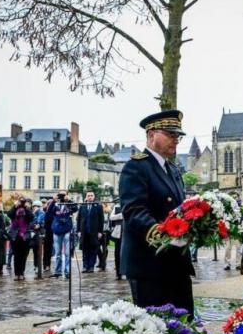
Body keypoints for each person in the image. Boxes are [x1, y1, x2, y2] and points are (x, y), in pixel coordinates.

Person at [119, 110, 194, 313]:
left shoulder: (174, 170)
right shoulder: (136, 167)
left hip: (176, 262)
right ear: (151, 134)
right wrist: (164, 233)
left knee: (184, 327)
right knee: (157, 330)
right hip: (149, 263)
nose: (176, 140)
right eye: (170, 134)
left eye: (177, 135)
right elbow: (134, 211)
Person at [47, 191, 77, 279]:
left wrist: (69, 200)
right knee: (58, 253)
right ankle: (58, 271)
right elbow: (48, 212)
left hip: (67, 230)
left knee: (67, 253)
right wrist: (53, 200)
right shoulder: (55, 204)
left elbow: (76, 209)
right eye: (60, 194)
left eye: (64, 195)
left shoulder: (69, 204)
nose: (62, 196)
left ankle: (67, 271)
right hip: (56, 230)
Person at [77, 190, 104, 273]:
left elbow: (101, 220)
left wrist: (100, 231)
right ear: (86, 196)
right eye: (88, 195)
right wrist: (78, 231)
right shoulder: (83, 206)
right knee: (85, 250)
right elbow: (79, 219)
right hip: (84, 232)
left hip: (94, 232)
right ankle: (85, 266)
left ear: (94, 196)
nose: (90, 197)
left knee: (93, 250)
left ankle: (91, 266)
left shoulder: (98, 206)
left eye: (91, 195)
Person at [7, 197, 34, 281]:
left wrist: (26, 208)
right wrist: (15, 206)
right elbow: (9, 214)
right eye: (21, 202)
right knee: (16, 256)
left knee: (23, 256)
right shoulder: (15, 209)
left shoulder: (27, 210)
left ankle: (21, 273)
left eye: (23, 202)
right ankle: (16, 274)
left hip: (25, 236)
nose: (21, 203)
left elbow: (31, 217)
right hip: (15, 236)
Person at [109, 202, 124, 280]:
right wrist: (121, 215)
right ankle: (118, 273)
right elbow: (111, 217)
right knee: (117, 253)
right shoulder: (117, 206)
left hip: (128, 231)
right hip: (118, 232)